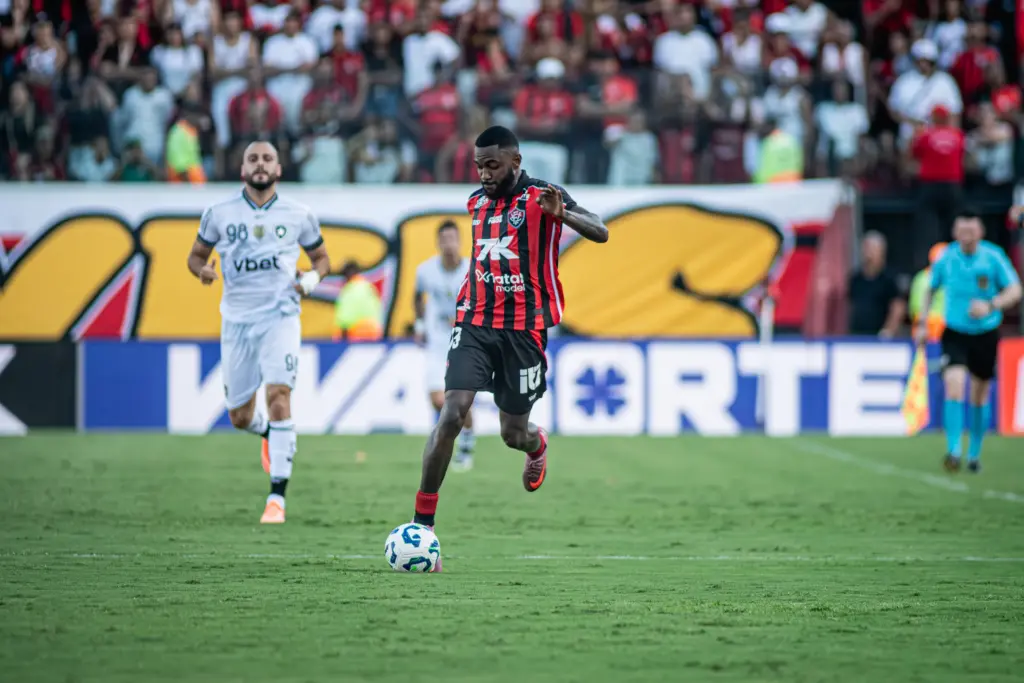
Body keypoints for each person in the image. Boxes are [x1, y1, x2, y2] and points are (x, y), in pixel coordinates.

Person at [411, 125, 609, 568]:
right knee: (452, 412)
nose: (483, 174)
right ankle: (423, 528)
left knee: (511, 433)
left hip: (525, 333)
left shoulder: (543, 195)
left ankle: (536, 448)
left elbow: (601, 232)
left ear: (515, 162)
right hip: (476, 323)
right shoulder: (475, 203)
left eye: (492, 165)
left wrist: (565, 215)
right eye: (478, 165)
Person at [186, 140, 331, 523]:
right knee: (238, 416)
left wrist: (313, 278)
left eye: (267, 159)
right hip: (236, 322)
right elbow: (195, 256)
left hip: (281, 316)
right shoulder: (219, 213)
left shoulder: (299, 214)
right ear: (243, 169)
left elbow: (322, 258)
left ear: (279, 169)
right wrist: (202, 270)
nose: (260, 164)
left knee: (280, 395)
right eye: (253, 158)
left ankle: (277, 499)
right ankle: (267, 433)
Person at [914, 208, 1021, 473]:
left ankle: (974, 454)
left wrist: (991, 305)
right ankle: (953, 450)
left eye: (971, 231)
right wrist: (923, 322)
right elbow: (931, 288)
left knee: (979, 393)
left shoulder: (993, 257)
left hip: (985, 333)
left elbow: (1015, 290)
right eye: (962, 231)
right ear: (955, 232)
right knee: (954, 384)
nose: (966, 236)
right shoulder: (947, 257)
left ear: (980, 232)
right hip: (955, 332)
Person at [413, 220, 475, 470]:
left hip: (465, 344)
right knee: (438, 399)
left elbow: (485, 302)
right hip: (437, 343)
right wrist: (419, 325)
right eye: (444, 240)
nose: (449, 244)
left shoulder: (473, 271)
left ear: (460, 242)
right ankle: (447, 439)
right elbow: (417, 296)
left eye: (453, 239)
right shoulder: (425, 271)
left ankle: (467, 443)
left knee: (458, 400)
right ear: (438, 243)